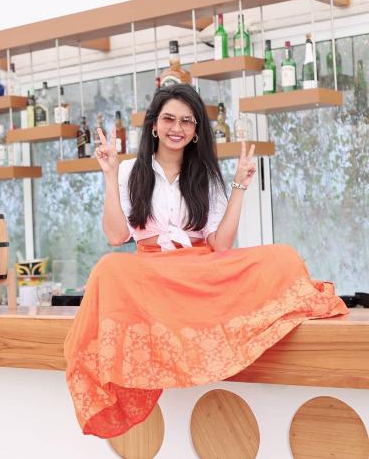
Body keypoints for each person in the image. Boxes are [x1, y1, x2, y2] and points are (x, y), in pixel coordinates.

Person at [64, 84, 347, 439]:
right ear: (154, 125)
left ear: (197, 130)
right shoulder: (128, 171)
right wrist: (109, 174)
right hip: (152, 274)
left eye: (187, 121)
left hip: (198, 271)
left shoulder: (206, 175)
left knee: (282, 256)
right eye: (169, 119)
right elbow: (115, 235)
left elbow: (220, 244)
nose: (177, 127)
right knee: (109, 267)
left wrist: (240, 186)